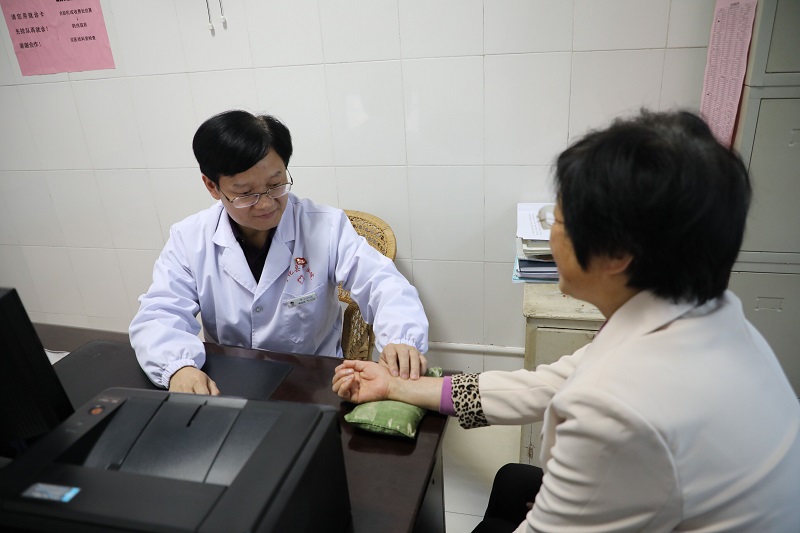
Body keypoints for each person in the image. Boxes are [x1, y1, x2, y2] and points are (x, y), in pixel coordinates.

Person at [333, 110, 800, 532]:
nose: (549, 235)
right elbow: (545, 385)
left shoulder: (618, 409)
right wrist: (397, 387)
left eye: (556, 220)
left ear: (617, 254)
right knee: (515, 482)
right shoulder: (705, 317)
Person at [131, 110, 429, 394]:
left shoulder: (325, 227)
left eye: (275, 184)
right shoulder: (190, 238)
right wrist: (178, 367)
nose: (266, 203)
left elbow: (383, 284)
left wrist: (401, 338)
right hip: (228, 382)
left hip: (316, 384)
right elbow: (161, 313)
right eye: (246, 193)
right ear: (212, 186)